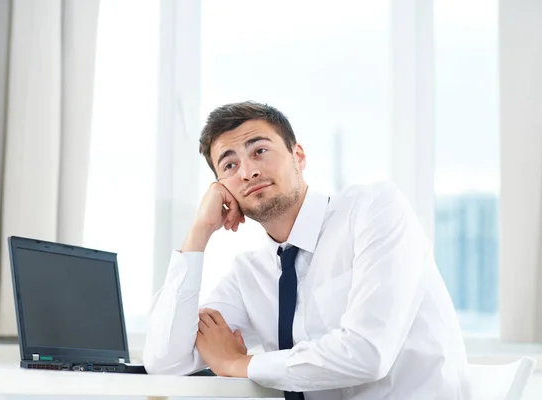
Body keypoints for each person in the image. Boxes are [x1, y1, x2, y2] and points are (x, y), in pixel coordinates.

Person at [143, 101, 469, 399]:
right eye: (229, 166)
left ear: (298, 156)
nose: (248, 172)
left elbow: (368, 353)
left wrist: (238, 364)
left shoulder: (373, 208)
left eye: (259, 151)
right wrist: (198, 234)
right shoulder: (249, 275)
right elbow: (165, 362)